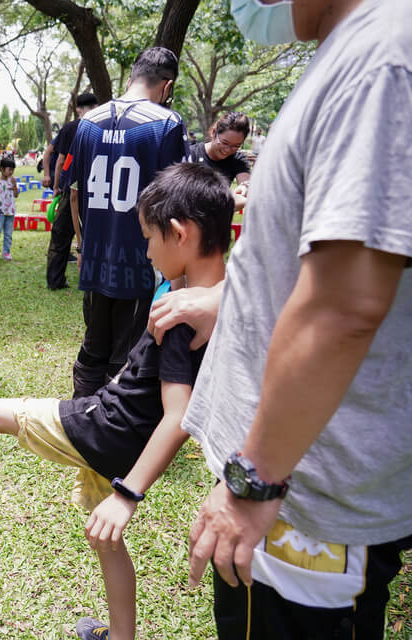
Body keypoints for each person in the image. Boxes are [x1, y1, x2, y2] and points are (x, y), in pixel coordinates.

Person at [0, 163, 234, 640]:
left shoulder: (186, 313)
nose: (145, 250)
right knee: (105, 539)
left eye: (148, 238)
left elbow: (178, 415)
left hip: (105, 429)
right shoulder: (206, 298)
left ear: (181, 235)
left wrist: (128, 494)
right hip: (121, 440)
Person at [147, 2, 412, 638]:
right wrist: (231, 300)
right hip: (292, 485)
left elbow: (344, 306)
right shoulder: (354, 49)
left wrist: (252, 481)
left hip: (303, 498)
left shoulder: (382, 58)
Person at [64, 47, 189, 398]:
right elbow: (173, 202)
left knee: (93, 343)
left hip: (96, 255)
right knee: (126, 354)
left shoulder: (87, 123)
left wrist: (82, 245)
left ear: (133, 75)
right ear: (167, 86)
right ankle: (109, 427)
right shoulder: (166, 124)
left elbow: (73, 191)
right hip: (140, 258)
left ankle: (82, 411)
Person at [46, 93, 98, 290]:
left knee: (60, 234)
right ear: (96, 105)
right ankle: (94, 278)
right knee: (95, 232)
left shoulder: (70, 128)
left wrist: (57, 185)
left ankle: (55, 280)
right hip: (97, 189)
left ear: (78, 109)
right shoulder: (102, 125)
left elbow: (61, 159)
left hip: (73, 186)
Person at [191, 111, 251, 211]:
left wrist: (245, 187)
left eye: (236, 146)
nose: (227, 150)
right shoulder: (192, 154)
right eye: (224, 143)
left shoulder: (237, 159)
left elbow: (246, 184)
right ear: (214, 132)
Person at [0, 156, 18, 262]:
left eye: (12, 170)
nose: (11, 172)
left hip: (10, 212)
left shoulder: (12, 182)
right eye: (9, 169)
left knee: (8, 234)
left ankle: (6, 252)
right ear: (1, 169)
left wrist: (15, 185)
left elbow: (16, 195)